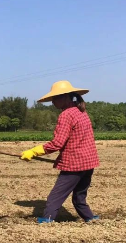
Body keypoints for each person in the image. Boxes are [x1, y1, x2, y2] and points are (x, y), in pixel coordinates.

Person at [21, 80, 100, 223]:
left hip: (74, 164)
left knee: (55, 197)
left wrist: (33, 151)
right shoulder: (80, 111)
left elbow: (57, 143)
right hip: (89, 162)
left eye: (55, 98)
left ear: (65, 97)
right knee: (79, 196)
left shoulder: (66, 115)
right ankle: (90, 218)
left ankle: (47, 220)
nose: (53, 102)